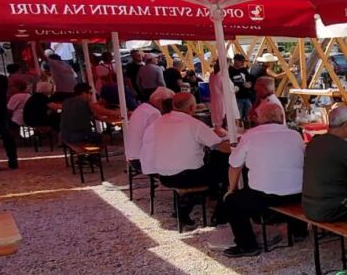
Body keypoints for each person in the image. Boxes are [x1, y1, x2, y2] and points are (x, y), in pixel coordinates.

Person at [222, 102, 306, 257]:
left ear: (259, 118)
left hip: (265, 198)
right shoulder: (295, 135)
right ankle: (299, 231)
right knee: (289, 180)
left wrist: (231, 189)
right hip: (297, 193)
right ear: (281, 117)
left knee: (232, 202)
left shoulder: (250, 136)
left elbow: (234, 166)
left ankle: (247, 246)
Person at [141, 92, 231, 228]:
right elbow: (220, 146)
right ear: (192, 108)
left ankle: (191, 204)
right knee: (227, 169)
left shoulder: (160, 121)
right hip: (188, 177)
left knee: (214, 163)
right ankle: (220, 215)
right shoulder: (193, 124)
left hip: (164, 176)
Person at [302, 105, 347, 222]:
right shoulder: (343, 147)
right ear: (346, 125)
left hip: (308, 205)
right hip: (329, 209)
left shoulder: (314, 143)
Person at [126, 87, 174, 174]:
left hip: (131, 156)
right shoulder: (154, 113)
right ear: (160, 102)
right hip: (141, 160)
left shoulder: (141, 108)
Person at [229, 54, 254, 119]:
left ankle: (248, 126)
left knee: (249, 114)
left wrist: (249, 85)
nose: (243, 63)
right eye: (241, 61)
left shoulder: (244, 70)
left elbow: (249, 80)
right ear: (235, 61)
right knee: (238, 115)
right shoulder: (230, 70)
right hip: (237, 97)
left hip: (246, 96)